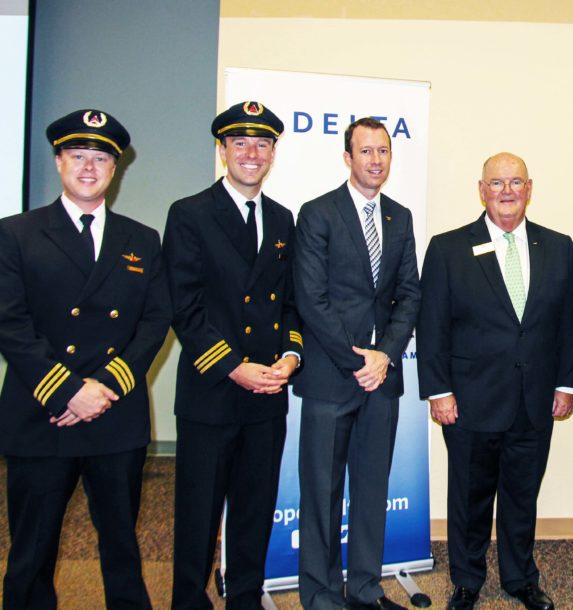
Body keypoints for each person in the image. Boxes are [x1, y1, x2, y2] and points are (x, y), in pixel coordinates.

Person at [0, 109, 170, 609]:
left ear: (115, 169)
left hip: (115, 417)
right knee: (31, 551)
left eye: (101, 158)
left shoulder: (141, 239)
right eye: (78, 156)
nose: (89, 167)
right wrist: (69, 389)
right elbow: (9, 323)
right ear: (58, 162)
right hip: (42, 412)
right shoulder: (16, 234)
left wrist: (105, 388)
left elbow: (155, 321)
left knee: (121, 545)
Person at [418, 153, 573, 610]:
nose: (506, 191)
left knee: (521, 497)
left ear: (530, 188)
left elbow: (569, 322)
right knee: (470, 499)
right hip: (469, 402)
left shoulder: (557, 246)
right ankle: (467, 580)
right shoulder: (448, 248)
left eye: (515, 182)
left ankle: (520, 579)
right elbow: (432, 325)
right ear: (481, 189)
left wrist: (568, 385)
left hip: (535, 401)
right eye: (497, 183)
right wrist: (439, 390)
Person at [163, 101, 302, 609]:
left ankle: (245, 597)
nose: (251, 153)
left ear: (272, 154)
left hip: (267, 393)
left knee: (254, 510)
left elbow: (290, 305)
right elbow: (185, 307)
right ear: (223, 150)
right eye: (240, 143)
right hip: (213, 392)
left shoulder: (284, 219)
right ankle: (189, 601)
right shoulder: (190, 213)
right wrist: (233, 367)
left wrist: (290, 357)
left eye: (262, 144)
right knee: (198, 514)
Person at [293, 117, 420, 610]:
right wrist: (356, 360)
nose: (375, 160)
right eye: (365, 151)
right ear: (347, 158)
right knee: (321, 493)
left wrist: (385, 356)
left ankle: (365, 588)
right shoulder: (318, 214)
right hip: (330, 377)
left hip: (381, 380)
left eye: (383, 151)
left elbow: (410, 294)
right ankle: (321, 595)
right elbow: (311, 299)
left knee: (371, 492)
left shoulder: (400, 217)